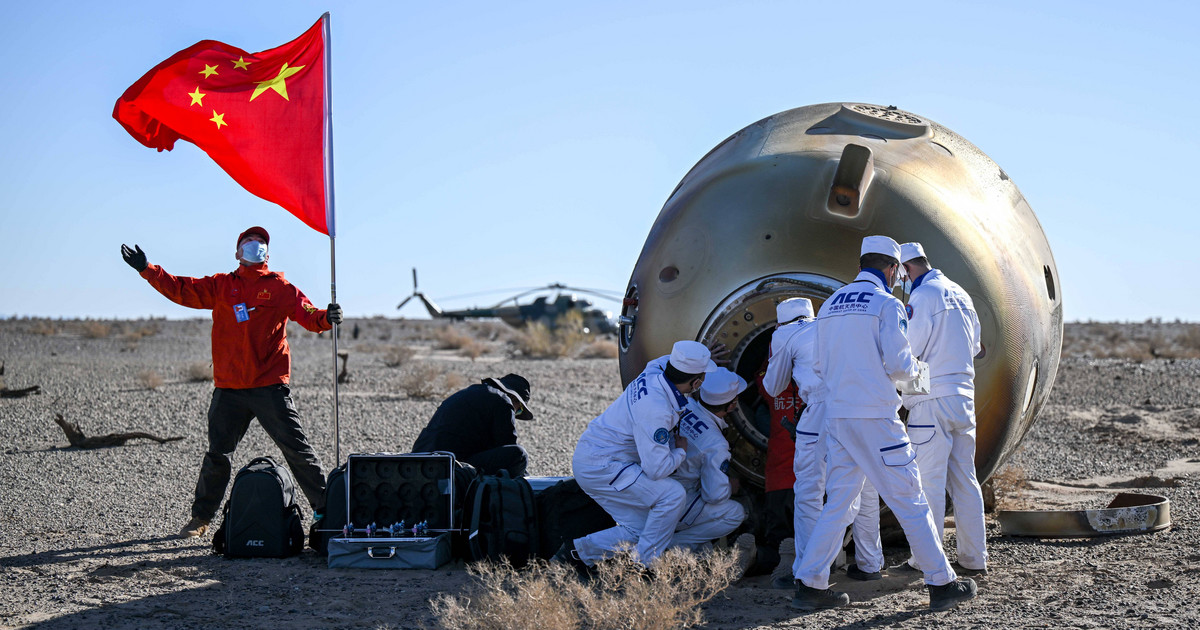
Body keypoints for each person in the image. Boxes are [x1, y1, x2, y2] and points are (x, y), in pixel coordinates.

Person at [790, 235, 977, 612]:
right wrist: (922, 381)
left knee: (839, 503)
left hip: (839, 418)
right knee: (911, 500)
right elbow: (901, 366)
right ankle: (941, 583)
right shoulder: (886, 305)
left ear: (861, 264)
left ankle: (810, 582)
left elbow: (821, 366)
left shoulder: (828, 306)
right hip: (877, 419)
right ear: (892, 269)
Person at [120, 226, 340, 538]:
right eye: (249, 242)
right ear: (238, 253)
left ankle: (328, 511)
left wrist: (326, 318)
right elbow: (182, 288)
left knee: (296, 448)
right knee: (218, 455)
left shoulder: (279, 287)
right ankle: (200, 519)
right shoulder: (222, 285)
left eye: (261, 242)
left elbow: (308, 314)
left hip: (269, 386)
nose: (256, 246)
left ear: (267, 252)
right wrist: (147, 269)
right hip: (230, 389)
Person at [556, 340, 717, 570]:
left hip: (595, 455)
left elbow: (672, 362)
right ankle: (642, 568)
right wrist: (680, 450)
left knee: (649, 527)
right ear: (697, 381)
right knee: (671, 496)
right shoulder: (657, 409)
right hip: (604, 466)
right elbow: (657, 469)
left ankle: (575, 554)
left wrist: (703, 357)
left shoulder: (656, 369)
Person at [762, 298, 884, 588]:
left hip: (819, 410)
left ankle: (807, 567)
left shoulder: (784, 334)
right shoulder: (834, 326)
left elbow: (772, 386)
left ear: (781, 323)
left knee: (809, 491)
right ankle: (869, 562)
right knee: (862, 486)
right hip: (859, 406)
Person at [895, 241, 987, 576]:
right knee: (965, 480)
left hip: (931, 400)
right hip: (964, 398)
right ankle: (974, 558)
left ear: (907, 269)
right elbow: (976, 346)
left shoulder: (922, 297)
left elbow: (909, 350)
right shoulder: (961, 294)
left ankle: (926, 560)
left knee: (929, 483)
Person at [669, 368, 747, 552]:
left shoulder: (683, 404)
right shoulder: (716, 444)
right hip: (676, 500)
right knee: (735, 513)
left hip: (649, 487)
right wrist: (729, 486)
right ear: (732, 405)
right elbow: (714, 496)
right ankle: (672, 546)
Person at [412, 374, 533, 477]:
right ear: (513, 397)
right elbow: (507, 446)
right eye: (519, 410)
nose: (516, 413)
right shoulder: (503, 401)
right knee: (520, 455)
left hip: (419, 458)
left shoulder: (465, 393)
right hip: (453, 465)